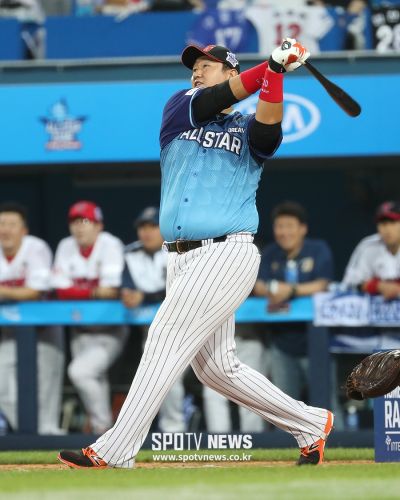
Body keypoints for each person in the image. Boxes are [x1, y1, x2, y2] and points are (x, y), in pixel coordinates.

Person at [59, 38, 333, 469]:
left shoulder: (245, 127)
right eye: (195, 66)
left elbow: (268, 128)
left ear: (231, 70)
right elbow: (217, 98)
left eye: (208, 65)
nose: (197, 71)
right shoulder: (179, 108)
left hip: (226, 252)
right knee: (216, 369)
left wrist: (276, 74)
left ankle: (116, 449)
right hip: (180, 258)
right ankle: (311, 423)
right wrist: (271, 65)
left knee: (164, 336)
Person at [52, 201, 127, 434]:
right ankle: (101, 432)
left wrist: (78, 291)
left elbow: (111, 290)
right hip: (79, 329)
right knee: (95, 378)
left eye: (85, 221)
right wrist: (94, 292)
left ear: (98, 225)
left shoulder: (110, 244)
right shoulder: (66, 246)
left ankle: (104, 428)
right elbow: (60, 290)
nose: (79, 227)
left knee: (80, 372)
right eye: (74, 222)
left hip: (109, 329)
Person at [253, 201, 334, 401]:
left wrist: (291, 290)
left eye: (289, 226)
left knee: (326, 403)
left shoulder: (318, 249)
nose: (284, 232)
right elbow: (258, 286)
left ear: (303, 228)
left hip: (316, 342)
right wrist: (273, 289)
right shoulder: (270, 253)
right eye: (279, 226)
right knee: (284, 405)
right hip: (281, 342)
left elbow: (323, 284)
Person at [0, 202, 64, 434]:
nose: (5, 229)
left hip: (44, 329)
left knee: (46, 388)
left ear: (23, 230)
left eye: (11, 224)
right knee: (2, 386)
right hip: (10, 331)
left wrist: (3, 291)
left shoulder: (35, 247)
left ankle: (48, 436)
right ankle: (27, 437)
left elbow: (35, 291)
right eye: (1, 224)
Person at [121, 206, 186, 432]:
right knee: (162, 377)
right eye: (142, 227)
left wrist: (145, 296)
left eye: (153, 226)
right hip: (151, 329)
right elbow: (125, 286)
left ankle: (181, 429)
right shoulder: (130, 253)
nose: (146, 232)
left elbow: (181, 288)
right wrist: (128, 294)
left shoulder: (180, 249)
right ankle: (172, 430)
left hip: (185, 323)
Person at [342, 200, 400, 350]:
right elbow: (349, 284)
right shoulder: (368, 246)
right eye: (382, 224)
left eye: (393, 222)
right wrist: (378, 286)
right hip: (373, 330)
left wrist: (396, 288)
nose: (387, 229)